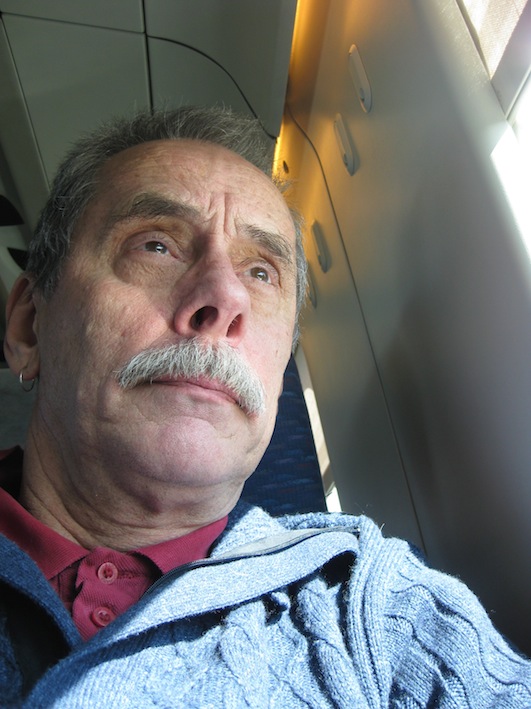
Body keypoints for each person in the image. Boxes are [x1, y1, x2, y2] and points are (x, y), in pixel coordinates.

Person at [0, 105, 529, 708]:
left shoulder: (376, 611)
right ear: (29, 324)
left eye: (260, 272)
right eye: (157, 246)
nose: (224, 298)